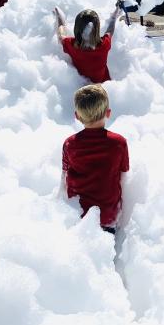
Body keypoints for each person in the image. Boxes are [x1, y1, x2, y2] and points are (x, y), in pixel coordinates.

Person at [62, 83, 129, 233]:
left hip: (78, 215)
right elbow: (124, 171)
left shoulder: (69, 144)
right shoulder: (119, 143)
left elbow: (65, 172)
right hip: (108, 216)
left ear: (77, 117)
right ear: (108, 113)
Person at [55, 2, 124, 83]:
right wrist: (113, 18)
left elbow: (61, 36)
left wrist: (60, 19)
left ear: (77, 29)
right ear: (97, 29)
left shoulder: (72, 46)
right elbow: (110, 31)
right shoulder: (104, 45)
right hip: (103, 85)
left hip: (81, 84)